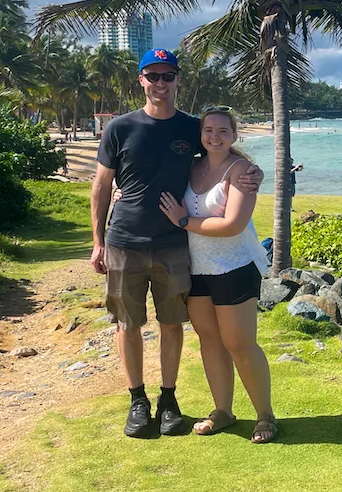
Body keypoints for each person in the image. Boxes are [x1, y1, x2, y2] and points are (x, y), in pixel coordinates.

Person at [90, 48, 262, 439]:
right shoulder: (119, 128)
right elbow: (101, 185)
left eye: (168, 76)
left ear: (177, 80)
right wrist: (97, 242)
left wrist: (253, 170)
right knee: (127, 324)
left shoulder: (189, 127)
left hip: (174, 245)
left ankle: (169, 400)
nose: (161, 83)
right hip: (124, 241)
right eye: (153, 75)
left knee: (172, 325)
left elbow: (222, 149)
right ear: (141, 80)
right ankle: (138, 400)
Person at [158, 105, 277, 442]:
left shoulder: (241, 171)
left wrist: (183, 221)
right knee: (210, 341)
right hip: (196, 269)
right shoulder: (190, 167)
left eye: (223, 131)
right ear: (200, 136)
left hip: (235, 267)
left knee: (239, 343)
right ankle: (222, 411)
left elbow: (232, 224)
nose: (215, 137)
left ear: (234, 136)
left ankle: (265, 416)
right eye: (208, 130)